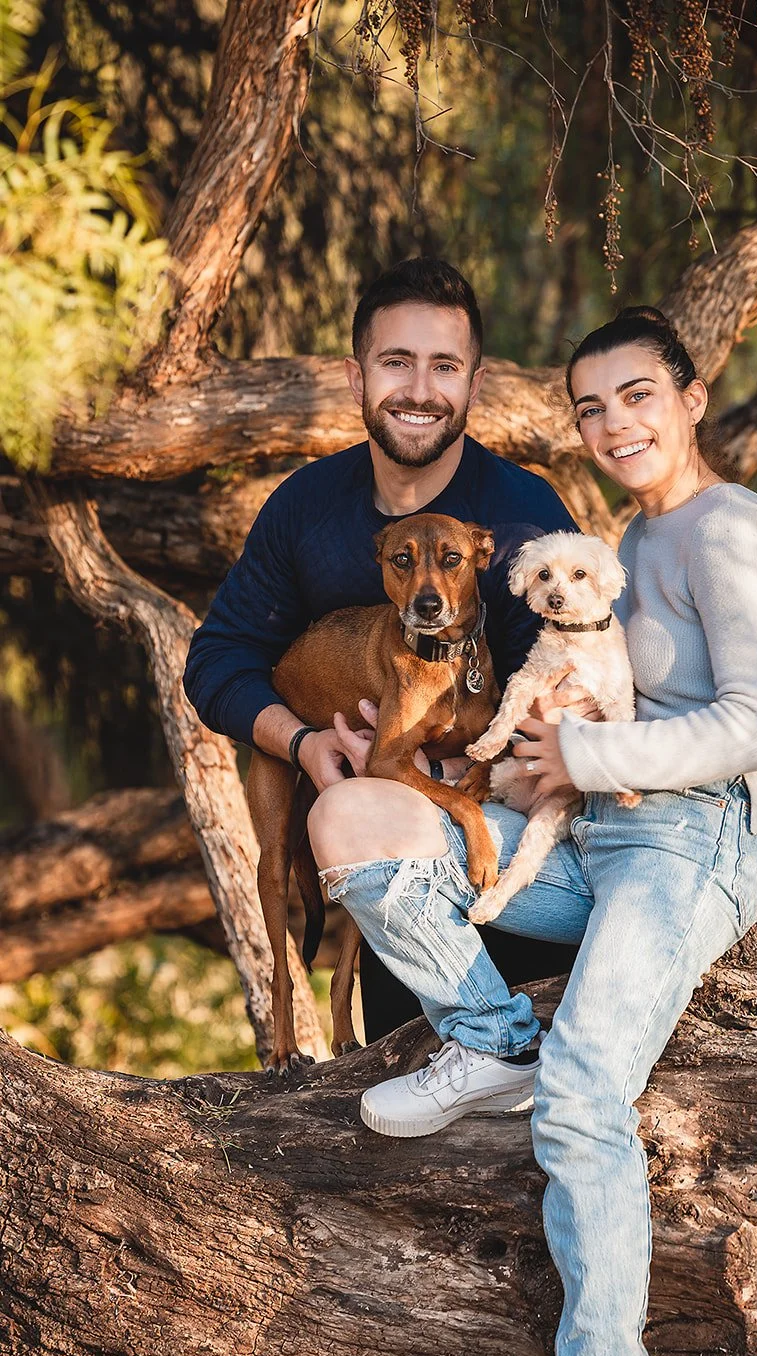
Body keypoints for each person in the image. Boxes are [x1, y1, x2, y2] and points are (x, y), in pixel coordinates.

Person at [307, 306, 757, 1356]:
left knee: (588, 1081)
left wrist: (581, 755)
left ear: (690, 398)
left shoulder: (730, 527)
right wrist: (546, 766)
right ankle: (487, 1040)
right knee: (352, 825)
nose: (611, 423)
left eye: (636, 395)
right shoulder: (609, 545)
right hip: (573, 840)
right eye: (589, 407)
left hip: (685, 843)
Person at [183, 258, 582, 1039]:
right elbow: (218, 661)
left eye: (444, 366)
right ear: (356, 376)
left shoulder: (523, 514)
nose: (419, 389)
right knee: (402, 1068)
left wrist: (433, 769)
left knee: (522, 1081)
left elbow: (565, 694)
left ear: (474, 381)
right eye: (396, 362)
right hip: (374, 852)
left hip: (500, 840)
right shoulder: (305, 506)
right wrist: (303, 745)